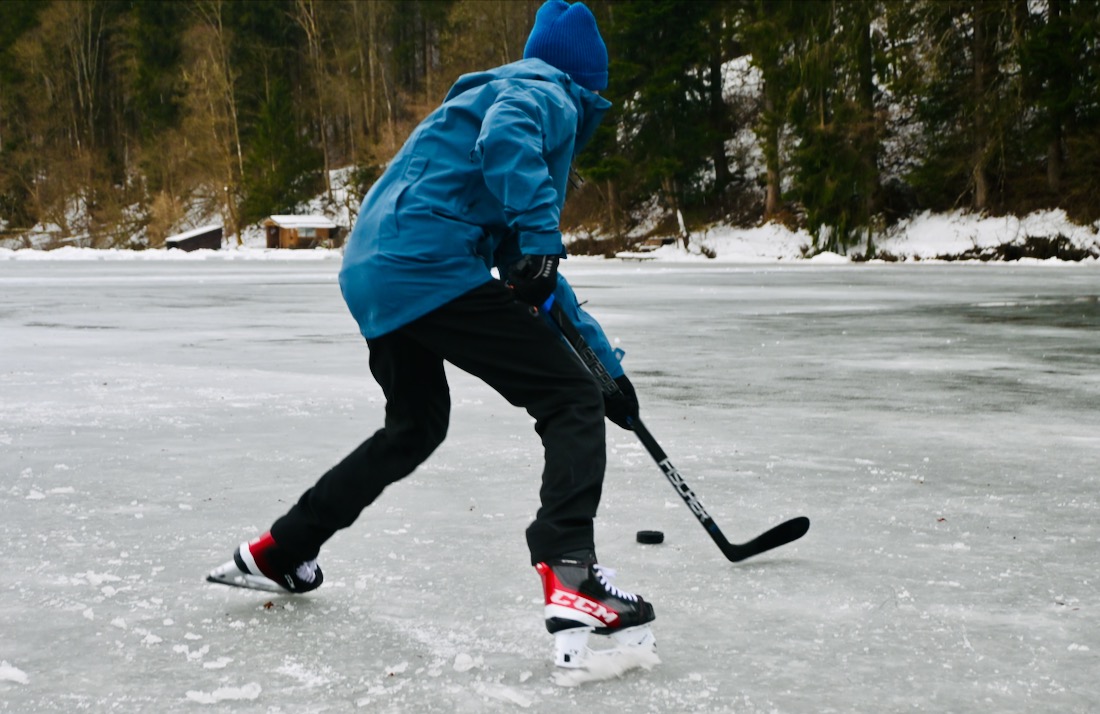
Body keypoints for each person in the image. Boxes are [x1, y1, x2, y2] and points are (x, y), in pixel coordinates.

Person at [207, 0, 655, 669]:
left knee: (415, 426)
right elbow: (511, 144)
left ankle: (281, 550)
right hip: (427, 264)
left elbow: (536, 283)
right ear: (589, 80)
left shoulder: (486, 104)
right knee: (566, 399)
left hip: (375, 271)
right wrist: (542, 241)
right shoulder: (543, 91)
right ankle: (571, 576)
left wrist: (606, 372)